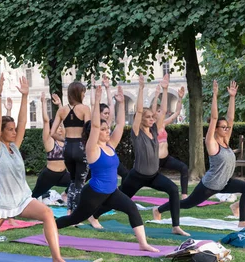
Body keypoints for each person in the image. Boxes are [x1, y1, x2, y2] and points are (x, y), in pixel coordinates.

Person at [0, 74, 72, 262]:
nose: (14, 131)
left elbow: (22, 121)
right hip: (1, 202)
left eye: (13, 129)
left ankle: (56, 258)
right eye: (9, 129)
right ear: (0, 132)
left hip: (21, 199)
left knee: (47, 213)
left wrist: (25, 97)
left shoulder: (15, 147)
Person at [56, 84, 158, 252]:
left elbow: (119, 125)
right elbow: (95, 126)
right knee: (74, 218)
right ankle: (50, 227)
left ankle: (143, 244)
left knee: (131, 208)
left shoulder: (110, 145)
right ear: (94, 133)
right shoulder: (92, 148)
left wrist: (121, 103)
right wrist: (96, 101)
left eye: (106, 129)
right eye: (103, 129)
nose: (106, 131)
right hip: (94, 193)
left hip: (111, 191)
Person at [94, 74, 188, 235]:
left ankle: (175, 226)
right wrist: (141, 88)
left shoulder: (154, 130)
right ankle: (94, 215)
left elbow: (163, 110)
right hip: (137, 176)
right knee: (118, 200)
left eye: (152, 117)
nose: (152, 119)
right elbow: (138, 111)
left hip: (153, 175)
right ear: (141, 119)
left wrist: (165, 89)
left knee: (173, 189)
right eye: (148, 117)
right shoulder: (136, 133)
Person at [156, 80, 245, 227]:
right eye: (223, 127)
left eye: (227, 127)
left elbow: (231, 118)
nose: (227, 129)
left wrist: (232, 97)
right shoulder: (211, 142)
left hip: (224, 182)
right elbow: (214, 118)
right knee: (188, 204)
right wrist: (215, 95)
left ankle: (242, 221)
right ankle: (159, 210)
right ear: (215, 129)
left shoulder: (225, 140)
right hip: (211, 184)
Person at [50, 81, 91, 213]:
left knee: (73, 181)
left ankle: (69, 211)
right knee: (80, 182)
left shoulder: (62, 110)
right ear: (79, 93)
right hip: (80, 147)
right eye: (83, 92)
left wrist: (65, 140)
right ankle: (76, 214)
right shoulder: (85, 109)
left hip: (67, 148)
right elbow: (89, 129)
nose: (84, 94)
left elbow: (52, 133)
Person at [31, 91, 71, 200]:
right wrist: (43, 103)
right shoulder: (49, 140)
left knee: (77, 181)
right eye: (56, 126)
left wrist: (59, 104)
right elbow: (45, 121)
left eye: (59, 126)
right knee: (33, 197)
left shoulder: (64, 139)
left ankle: (65, 195)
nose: (59, 128)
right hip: (48, 176)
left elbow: (64, 120)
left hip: (62, 175)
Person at [151, 84, 189, 199]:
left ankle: (184, 195)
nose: (160, 112)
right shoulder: (152, 127)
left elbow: (177, 113)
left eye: (159, 111)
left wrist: (180, 98)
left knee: (183, 168)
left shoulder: (163, 124)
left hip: (166, 158)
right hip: (155, 160)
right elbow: (159, 111)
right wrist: (158, 93)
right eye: (158, 111)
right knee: (144, 178)